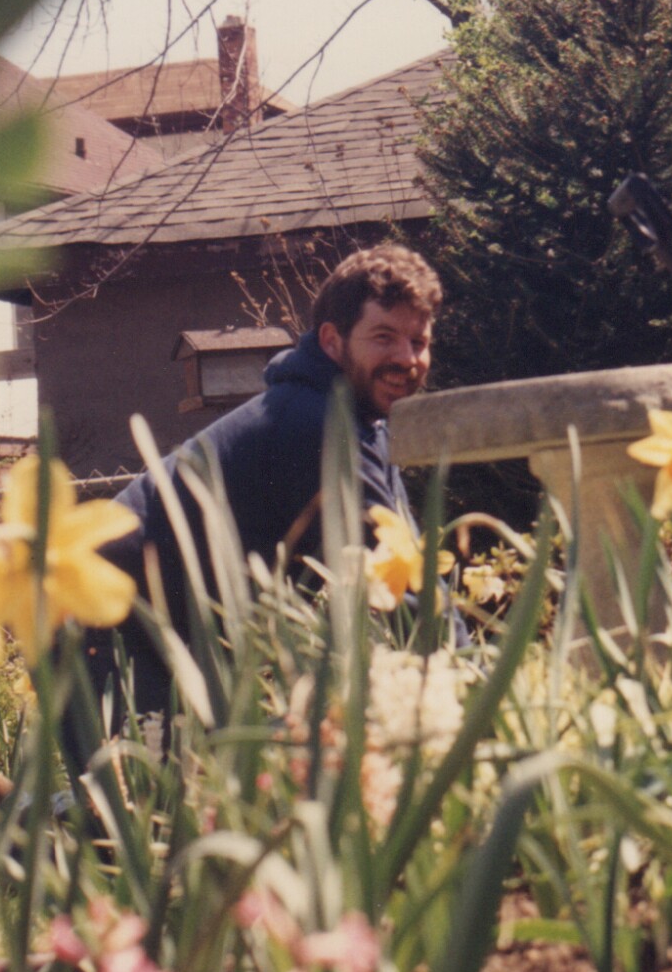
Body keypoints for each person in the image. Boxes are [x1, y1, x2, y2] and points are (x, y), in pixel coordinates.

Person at [83, 242, 455, 726]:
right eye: (384, 337)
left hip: (173, 632)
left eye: (419, 342)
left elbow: (408, 562)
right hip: (107, 621)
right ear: (331, 341)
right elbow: (409, 598)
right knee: (150, 793)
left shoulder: (358, 422)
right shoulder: (316, 424)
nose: (407, 358)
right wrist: (470, 683)